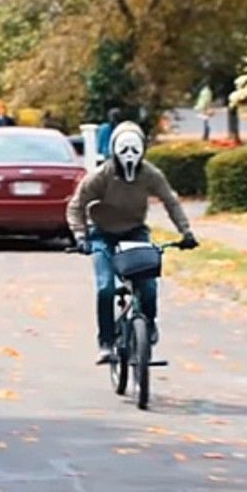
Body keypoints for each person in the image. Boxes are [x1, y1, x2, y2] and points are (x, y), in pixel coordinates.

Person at [67, 122, 198, 364]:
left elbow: (171, 202)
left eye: (134, 149)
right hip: (102, 234)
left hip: (135, 233)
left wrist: (186, 233)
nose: (129, 155)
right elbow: (76, 205)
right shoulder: (101, 176)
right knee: (105, 288)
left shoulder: (151, 175)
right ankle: (106, 342)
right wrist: (81, 236)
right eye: (124, 149)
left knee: (148, 285)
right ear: (114, 150)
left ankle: (148, 324)